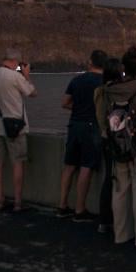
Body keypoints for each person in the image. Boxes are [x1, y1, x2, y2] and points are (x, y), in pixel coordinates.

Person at [97, 47, 136, 247]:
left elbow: (104, 120)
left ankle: (121, 233)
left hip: (117, 147)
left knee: (120, 189)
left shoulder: (107, 91)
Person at [56, 50, 107, 222]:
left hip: (74, 125)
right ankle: (79, 209)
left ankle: (62, 205)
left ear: (90, 62)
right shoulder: (104, 83)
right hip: (92, 128)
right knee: (86, 167)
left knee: (69, 166)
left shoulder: (77, 80)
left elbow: (64, 103)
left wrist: (78, 109)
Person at [0, 48, 37, 212]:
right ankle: (17, 202)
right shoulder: (15, 76)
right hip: (15, 127)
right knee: (17, 164)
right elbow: (32, 93)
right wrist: (26, 74)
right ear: (15, 61)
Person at [93, 57, 124, 234]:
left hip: (105, 137)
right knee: (121, 181)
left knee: (108, 178)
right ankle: (120, 222)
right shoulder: (120, 91)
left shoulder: (99, 92)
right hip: (119, 139)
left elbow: (100, 116)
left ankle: (104, 220)